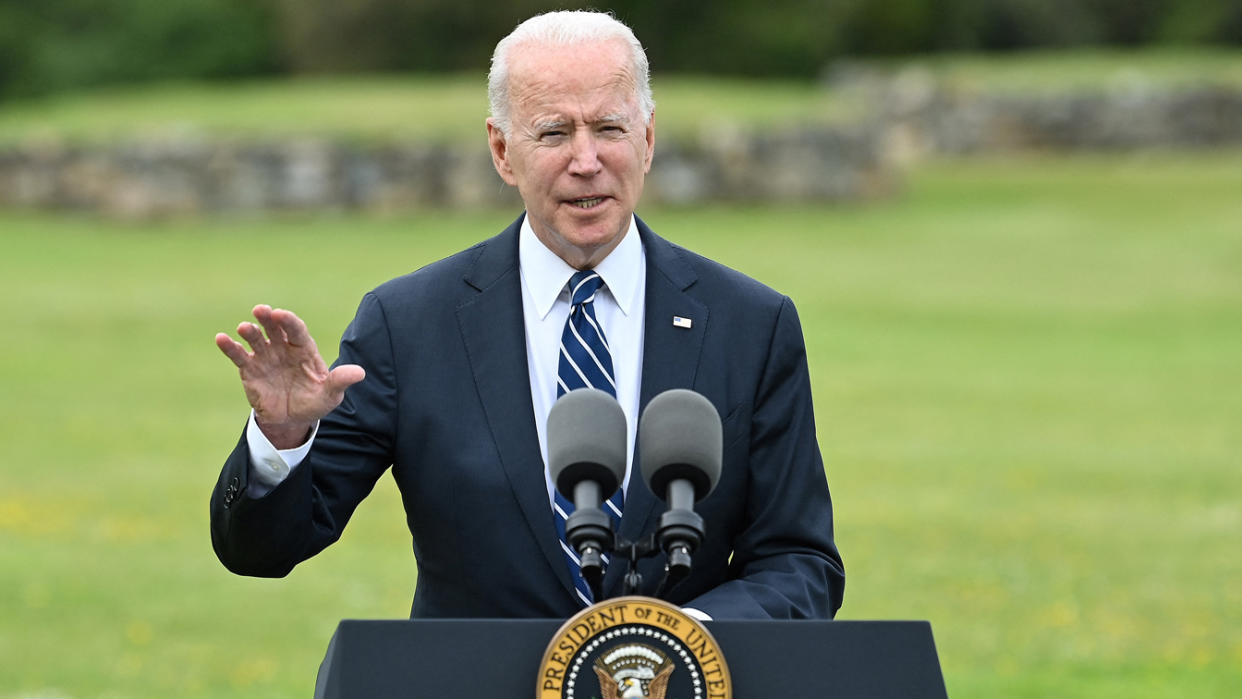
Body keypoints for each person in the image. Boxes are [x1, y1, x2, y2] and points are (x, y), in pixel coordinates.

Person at [211, 10, 844, 620]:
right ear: (502, 150)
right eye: (554, 132)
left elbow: (799, 561)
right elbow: (263, 552)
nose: (586, 160)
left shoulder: (752, 325)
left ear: (647, 140)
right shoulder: (407, 325)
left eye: (610, 129)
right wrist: (283, 442)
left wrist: (681, 643)